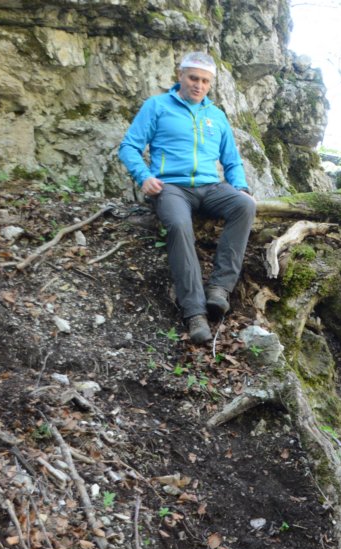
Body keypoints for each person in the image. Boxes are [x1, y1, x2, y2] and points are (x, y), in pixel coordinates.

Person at [119, 51, 257, 345]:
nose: (199, 85)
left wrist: (241, 187)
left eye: (205, 81)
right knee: (180, 226)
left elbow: (231, 161)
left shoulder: (216, 116)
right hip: (171, 187)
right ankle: (195, 312)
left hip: (211, 187)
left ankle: (219, 288)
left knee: (244, 205)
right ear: (180, 76)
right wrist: (144, 177)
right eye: (193, 78)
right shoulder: (157, 106)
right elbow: (129, 146)